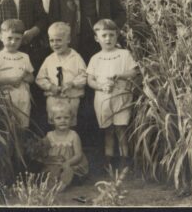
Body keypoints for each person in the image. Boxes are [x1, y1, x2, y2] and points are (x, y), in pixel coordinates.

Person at [86, 19, 138, 171]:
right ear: (97, 38)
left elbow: (134, 71)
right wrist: (100, 86)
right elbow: (90, 80)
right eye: (104, 35)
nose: (108, 39)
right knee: (108, 130)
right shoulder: (95, 58)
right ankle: (108, 160)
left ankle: (124, 159)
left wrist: (119, 75)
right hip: (103, 98)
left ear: (117, 36)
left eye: (111, 35)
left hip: (121, 97)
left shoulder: (124, 54)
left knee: (121, 128)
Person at [0, 19, 34, 130]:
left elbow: (31, 78)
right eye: (9, 38)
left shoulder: (24, 57)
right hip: (5, 99)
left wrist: (25, 77)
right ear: (1, 36)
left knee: (22, 127)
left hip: (23, 99)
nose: (13, 42)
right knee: (6, 127)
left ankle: (21, 146)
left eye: (17, 39)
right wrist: (10, 80)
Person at [36, 22, 87, 127]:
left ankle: (70, 141)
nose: (55, 44)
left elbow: (84, 76)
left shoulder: (76, 58)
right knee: (54, 123)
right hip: (53, 98)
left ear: (68, 40)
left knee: (69, 122)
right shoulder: (49, 59)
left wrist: (72, 83)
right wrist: (50, 86)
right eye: (52, 40)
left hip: (70, 98)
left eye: (59, 40)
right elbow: (40, 78)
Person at [41, 100, 89, 190]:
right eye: (58, 118)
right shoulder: (49, 135)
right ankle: (51, 184)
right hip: (55, 164)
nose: (63, 121)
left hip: (70, 164)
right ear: (52, 120)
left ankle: (62, 185)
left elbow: (79, 155)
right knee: (51, 171)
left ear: (71, 119)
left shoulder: (73, 135)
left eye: (66, 118)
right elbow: (44, 153)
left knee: (68, 171)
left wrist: (68, 163)